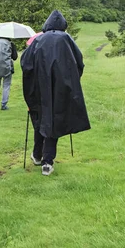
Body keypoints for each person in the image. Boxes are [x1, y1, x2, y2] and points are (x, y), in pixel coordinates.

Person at [21, 10, 91, 176]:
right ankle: (47, 162)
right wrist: (71, 82)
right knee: (54, 119)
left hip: (38, 88)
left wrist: (31, 87)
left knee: (40, 119)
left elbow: (25, 64)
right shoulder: (67, 40)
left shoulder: (38, 40)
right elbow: (79, 63)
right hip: (61, 89)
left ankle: (38, 155)